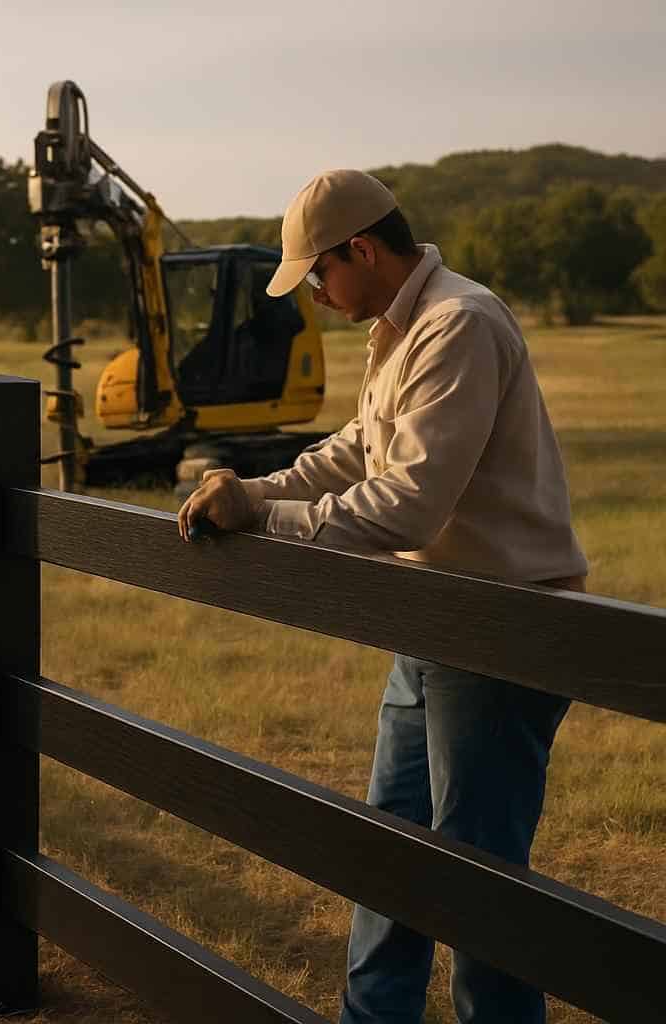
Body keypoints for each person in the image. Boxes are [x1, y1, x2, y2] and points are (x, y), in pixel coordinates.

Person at [175, 169, 588, 1024]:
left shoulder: (459, 323)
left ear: (361, 249)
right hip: (433, 617)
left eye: (318, 275)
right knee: (387, 862)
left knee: (479, 894)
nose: (316, 295)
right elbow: (357, 450)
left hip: (498, 628)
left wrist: (268, 517)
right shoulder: (401, 326)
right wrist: (254, 491)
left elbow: (409, 501)